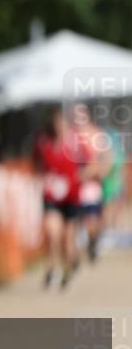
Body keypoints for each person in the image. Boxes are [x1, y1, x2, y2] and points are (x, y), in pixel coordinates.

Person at [32, 107, 84, 287]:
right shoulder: (43, 142)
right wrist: (43, 179)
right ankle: (51, 268)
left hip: (72, 197)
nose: (58, 127)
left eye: (61, 123)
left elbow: (89, 164)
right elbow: (36, 163)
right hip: (52, 197)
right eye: (55, 123)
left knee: (67, 238)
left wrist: (81, 177)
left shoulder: (76, 142)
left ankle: (68, 269)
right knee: (53, 233)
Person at [70, 103, 113, 264]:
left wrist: (96, 172)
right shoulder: (70, 135)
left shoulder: (96, 135)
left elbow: (106, 159)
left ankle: (92, 243)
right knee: (74, 221)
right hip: (74, 186)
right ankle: (73, 255)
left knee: (91, 221)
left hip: (92, 186)